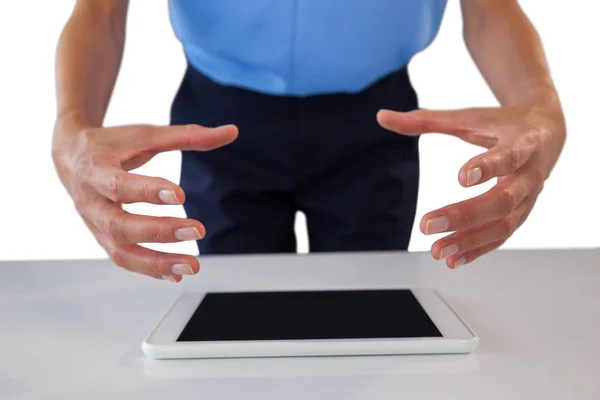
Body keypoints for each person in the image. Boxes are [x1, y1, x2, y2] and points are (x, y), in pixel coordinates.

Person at [52, 0, 566, 282]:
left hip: (378, 120)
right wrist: (72, 126)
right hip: (218, 125)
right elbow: (98, 10)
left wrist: (540, 105)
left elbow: (488, 9)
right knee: (234, 324)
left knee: (367, 318)